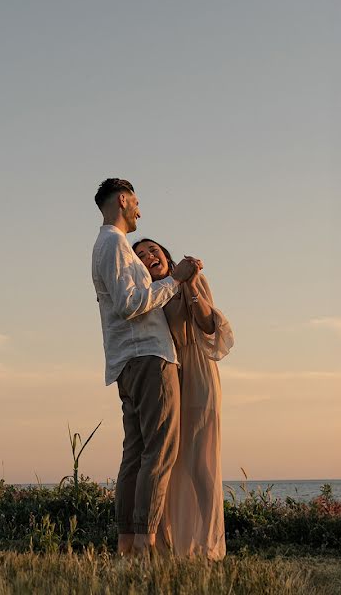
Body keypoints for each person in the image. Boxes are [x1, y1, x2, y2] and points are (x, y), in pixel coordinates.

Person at [91, 178, 202, 556]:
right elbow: (129, 302)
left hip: (128, 361)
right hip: (149, 358)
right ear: (123, 200)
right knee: (159, 451)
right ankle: (145, 544)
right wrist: (176, 278)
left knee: (136, 453)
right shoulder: (114, 243)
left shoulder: (106, 245)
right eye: (137, 202)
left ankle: (128, 545)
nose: (140, 210)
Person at [133, 238, 234, 560]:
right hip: (170, 374)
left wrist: (189, 283)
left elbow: (207, 324)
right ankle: (168, 546)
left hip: (199, 372)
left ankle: (209, 543)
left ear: (166, 255)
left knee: (199, 462)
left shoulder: (190, 280)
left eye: (153, 250)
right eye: (140, 255)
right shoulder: (152, 295)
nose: (149, 256)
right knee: (168, 460)